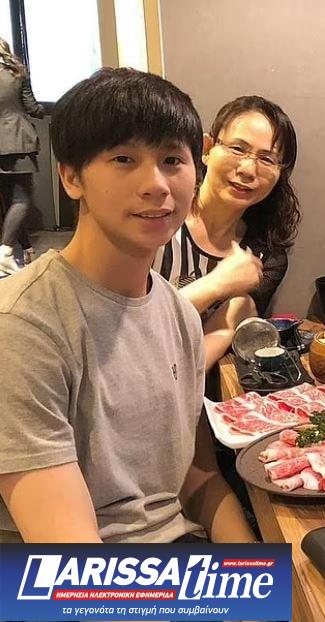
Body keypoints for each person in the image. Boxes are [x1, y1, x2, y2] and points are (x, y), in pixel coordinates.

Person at [0, 68, 255, 544]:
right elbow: (74, 566)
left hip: (180, 550)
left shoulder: (178, 314)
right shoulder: (22, 327)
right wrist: (250, 584)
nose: (156, 184)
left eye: (171, 160)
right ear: (71, 177)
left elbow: (198, 480)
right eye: (123, 159)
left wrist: (263, 577)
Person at [154, 95, 301, 375]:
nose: (247, 170)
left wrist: (233, 314)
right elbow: (126, 329)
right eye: (237, 149)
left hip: (195, 390)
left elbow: (220, 340)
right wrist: (217, 284)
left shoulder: (265, 255)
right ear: (207, 149)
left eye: (266, 159)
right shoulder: (158, 219)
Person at [0, 38, 44, 275]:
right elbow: (31, 106)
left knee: (11, 202)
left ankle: (26, 248)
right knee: (22, 200)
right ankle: (5, 253)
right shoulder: (16, 73)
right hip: (17, 140)